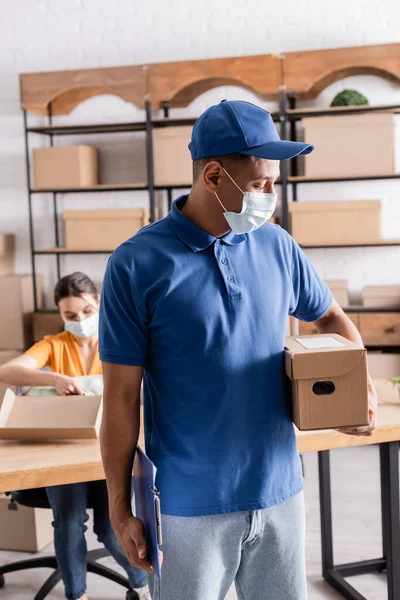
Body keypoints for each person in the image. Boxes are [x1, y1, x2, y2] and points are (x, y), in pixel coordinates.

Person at [99, 100, 378, 600]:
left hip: (280, 493)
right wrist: (120, 509)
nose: (271, 195)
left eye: (275, 181)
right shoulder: (135, 265)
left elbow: (332, 317)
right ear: (212, 175)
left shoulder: (277, 246)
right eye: (259, 184)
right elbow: (120, 400)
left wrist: (360, 391)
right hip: (188, 505)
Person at [0, 272, 150, 600]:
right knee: (68, 522)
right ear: (59, 314)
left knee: (114, 528)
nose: (79, 320)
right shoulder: (54, 345)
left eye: (85, 311)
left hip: (108, 450)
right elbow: (6, 371)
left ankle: (142, 586)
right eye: (69, 315)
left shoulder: (116, 338)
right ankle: (76, 594)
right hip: (62, 448)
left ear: (98, 304)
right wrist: (52, 378)